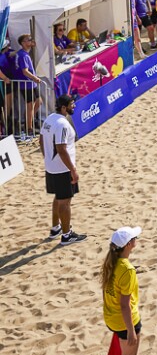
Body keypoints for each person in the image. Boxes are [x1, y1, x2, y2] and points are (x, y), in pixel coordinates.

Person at [40, 95, 87, 244]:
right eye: (71, 104)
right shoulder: (62, 124)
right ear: (63, 107)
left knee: (59, 198)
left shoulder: (50, 119)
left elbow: (41, 139)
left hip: (52, 167)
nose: (74, 106)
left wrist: (46, 158)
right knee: (65, 202)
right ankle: (66, 235)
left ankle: (56, 228)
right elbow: (61, 149)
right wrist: (72, 169)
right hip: (62, 169)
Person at [102, 226, 142, 355]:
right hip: (125, 322)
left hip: (111, 318)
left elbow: (106, 292)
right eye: (134, 237)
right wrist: (131, 331)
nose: (136, 238)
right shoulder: (127, 270)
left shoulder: (110, 263)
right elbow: (125, 305)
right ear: (129, 244)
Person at [16, 34, 45, 135]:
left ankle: (28, 121)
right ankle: (29, 128)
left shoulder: (25, 53)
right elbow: (25, 71)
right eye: (28, 40)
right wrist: (34, 78)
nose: (31, 40)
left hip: (31, 84)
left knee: (38, 102)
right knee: (30, 106)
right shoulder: (23, 55)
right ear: (23, 43)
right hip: (27, 84)